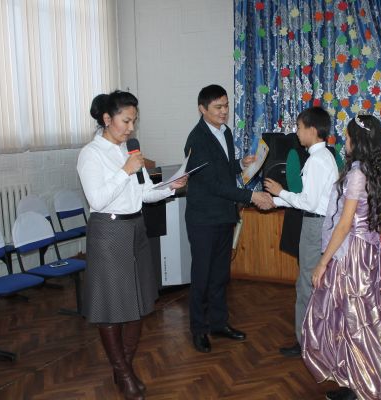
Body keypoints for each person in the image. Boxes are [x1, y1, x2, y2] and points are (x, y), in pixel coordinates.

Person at [77, 90, 187, 400]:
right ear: (107, 118)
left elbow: (144, 193)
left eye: (134, 122)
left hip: (136, 228)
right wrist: (125, 170)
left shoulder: (129, 150)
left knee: (139, 303)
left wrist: (170, 187)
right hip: (108, 232)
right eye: (125, 121)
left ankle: (123, 366)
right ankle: (124, 373)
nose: (131, 128)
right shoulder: (91, 154)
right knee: (113, 307)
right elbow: (98, 199)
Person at [302, 115, 381, 400]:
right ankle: (353, 381)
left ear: (358, 141)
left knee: (358, 322)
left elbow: (345, 224)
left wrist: (323, 262)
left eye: (347, 137)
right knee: (345, 319)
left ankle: (379, 385)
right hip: (363, 250)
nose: (344, 142)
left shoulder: (358, 174)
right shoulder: (372, 169)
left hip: (352, 255)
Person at [184, 84, 273, 354]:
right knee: (202, 276)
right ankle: (199, 329)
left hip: (224, 214)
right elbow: (212, 184)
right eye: (218, 107)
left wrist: (239, 164)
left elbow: (220, 168)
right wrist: (251, 196)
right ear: (202, 109)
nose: (224, 112)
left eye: (226, 105)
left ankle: (219, 323)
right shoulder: (196, 140)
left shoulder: (225, 131)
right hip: (203, 218)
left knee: (220, 275)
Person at [263, 107, 339, 357]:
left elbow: (308, 202)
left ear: (312, 130)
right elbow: (312, 199)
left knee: (306, 284)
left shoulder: (316, 160)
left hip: (315, 226)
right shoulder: (324, 156)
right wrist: (276, 201)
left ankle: (305, 342)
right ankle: (316, 338)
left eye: (299, 127)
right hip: (320, 223)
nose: (296, 132)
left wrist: (280, 193)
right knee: (314, 283)